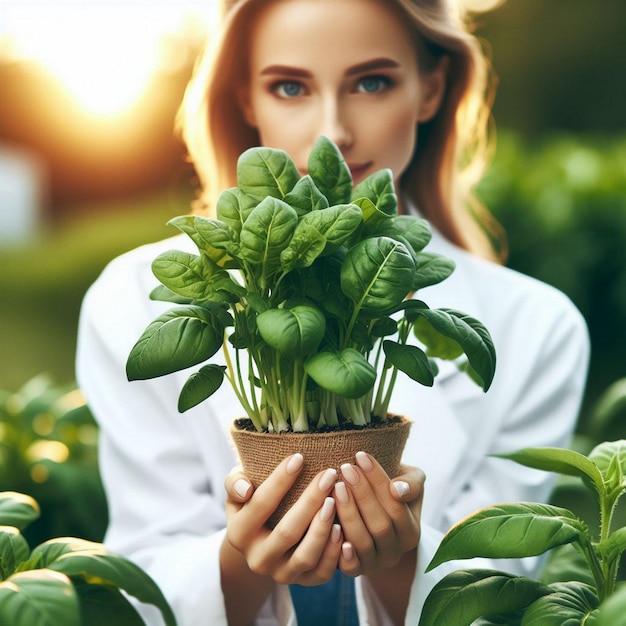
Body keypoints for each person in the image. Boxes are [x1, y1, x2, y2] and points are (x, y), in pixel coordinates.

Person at [76, 0, 590, 624]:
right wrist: (241, 559)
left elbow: (494, 602)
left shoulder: (538, 327)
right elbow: (145, 588)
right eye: (289, 86)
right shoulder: (128, 298)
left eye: (372, 82)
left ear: (431, 89)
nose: (333, 133)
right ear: (246, 99)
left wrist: (403, 560)